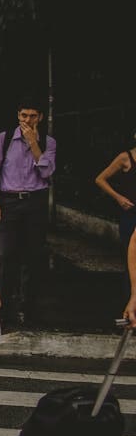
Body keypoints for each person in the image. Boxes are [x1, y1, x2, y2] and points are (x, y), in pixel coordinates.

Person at [0, 97, 56, 326]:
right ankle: (2, 308)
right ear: (18, 115)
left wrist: (34, 144)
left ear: (40, 118)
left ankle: (30, 308)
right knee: (5, 255)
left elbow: (47, 173)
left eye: (33, 116)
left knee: (34, 256)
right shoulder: (4, 139)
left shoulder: (48, 142)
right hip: (8, 201)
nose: (28, 120)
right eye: (24, 115)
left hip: (35, 202)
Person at [95, 136, 136, 327]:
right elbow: (100, 179)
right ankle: (130, 311)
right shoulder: (126, 158)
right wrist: (119, 198)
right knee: (131, 263)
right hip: (131, 215)